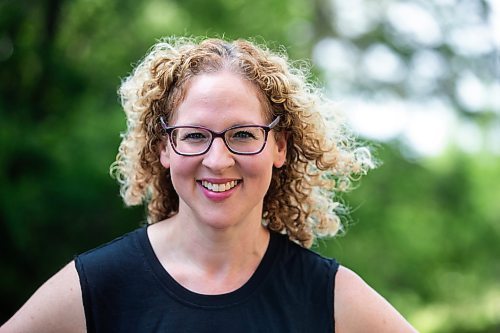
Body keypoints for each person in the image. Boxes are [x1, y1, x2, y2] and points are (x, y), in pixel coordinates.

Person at [1, 37, 417, 332]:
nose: (218, 161)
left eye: (243, 134)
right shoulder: (99, 284)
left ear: (279, 146)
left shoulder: (327, 296)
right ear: (165, 147)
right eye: (195, 135)